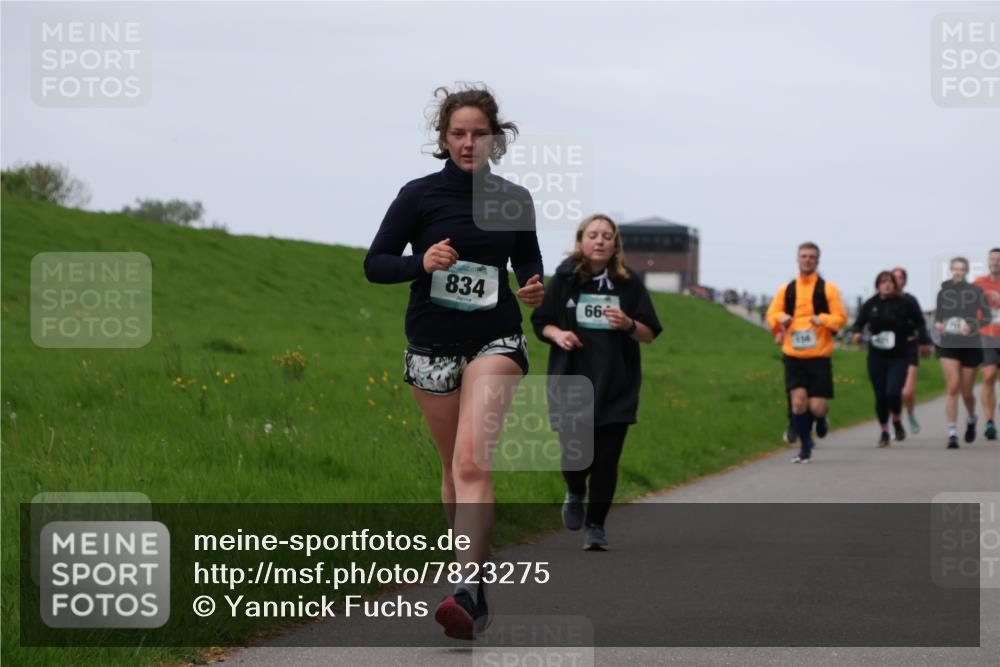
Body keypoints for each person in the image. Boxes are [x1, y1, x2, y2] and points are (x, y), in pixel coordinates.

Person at [364, 85, 545, 639]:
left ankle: (464, 586)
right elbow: (375, 264)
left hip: (496, 341)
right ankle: (475, 586)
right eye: (459, 133)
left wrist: (534, 289)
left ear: (496, 139)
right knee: (451, 470)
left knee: (471, 463)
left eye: (479, 134)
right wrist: (422, 262)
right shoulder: (417, 195)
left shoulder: (514, 199)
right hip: (431, 347)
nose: (469, 143)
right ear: (443, 139)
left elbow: (528, 264)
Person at [531, 214, 661, 550]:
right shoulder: (564, 278)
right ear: (581, 241)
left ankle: (596, 527)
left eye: (607, 235)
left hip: (617, 385)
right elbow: (541, 321)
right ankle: (576, 490)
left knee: (605, 462)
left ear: (615, 243)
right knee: (576, 459)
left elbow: (649, 333)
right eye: (593, 235)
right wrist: (558, 335)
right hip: (571, 382)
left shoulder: (628, 283)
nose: (600, 241)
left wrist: (628, 324)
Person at [766, 242, 847, 463]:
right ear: (797, 259)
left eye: (812, 256)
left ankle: (821, 419)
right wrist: (780, 318)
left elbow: (841, 319)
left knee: (817, 407)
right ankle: (805, 447)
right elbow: (771, 314)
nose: (807, 260)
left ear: (817, 261)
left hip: (819, 356)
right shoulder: (787, 289)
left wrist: (823, 319)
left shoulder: (828, 289)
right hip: (793, 354)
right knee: (799, 403)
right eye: (804, 256)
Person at [851, 271, 927, 446]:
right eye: (883, 282)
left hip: (899, 356)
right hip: (876, 356)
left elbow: (920, 321)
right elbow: (858, 323)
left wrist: (923, 340)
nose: (886, 285)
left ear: (895, 285)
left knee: (892, 392)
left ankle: (897, 420)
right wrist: (856, 333)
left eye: (890, 282)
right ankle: (884, 431)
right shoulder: (871, 304)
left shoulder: (905, 303)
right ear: (877, 285)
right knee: (880, 396)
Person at [934, 257, 987, 449]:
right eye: (955, 269)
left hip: (970, 346)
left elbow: (987, 317)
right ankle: (952, 433)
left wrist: (971, 325)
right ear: (951, 270)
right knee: (953, 386)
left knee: (966, 393)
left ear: (967, 271)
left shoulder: (976, 292)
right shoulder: (943, 293)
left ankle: (972, 417)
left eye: (962, 269)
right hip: (948, 344)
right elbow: (938, 317)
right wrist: (938, 325)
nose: (958, 272)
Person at [891, 267, 933, 434]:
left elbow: (920, 322)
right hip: (889, 351)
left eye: (900, 278)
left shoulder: (910, 300)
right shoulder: (882, 300)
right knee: (893, 391)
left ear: (904, 281)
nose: (897, 281)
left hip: (909, 347)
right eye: (894, 277)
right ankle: (896, 421)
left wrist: (924, 342)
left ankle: (910, 413)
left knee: (907, 392)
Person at [972, 248, 1000, 440]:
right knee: (989, 376)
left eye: (999, 259)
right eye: (993, 259)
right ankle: (989, 421)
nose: (996, 262)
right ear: (988, 261)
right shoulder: (978, 283)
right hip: (986, 336)